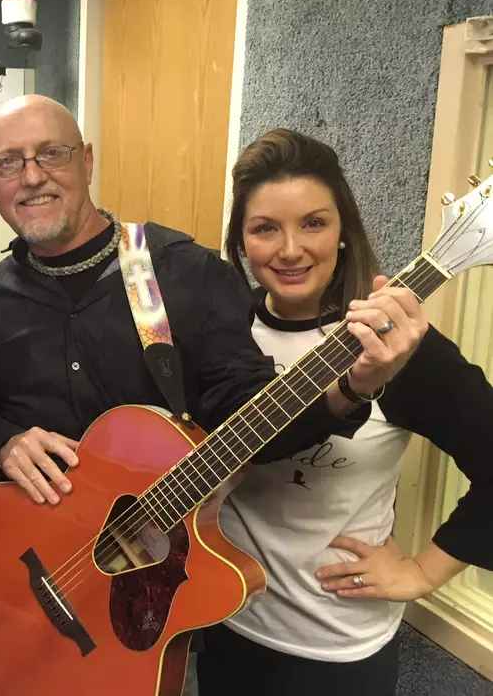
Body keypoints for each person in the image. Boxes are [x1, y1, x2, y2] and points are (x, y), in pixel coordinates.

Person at [0, 95, 426, 510]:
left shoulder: (188, 273)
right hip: (32, 566)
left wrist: (350, 387)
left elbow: (249, 425)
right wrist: (0, 440)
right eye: (8, 163)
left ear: (87, 162)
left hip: (158, 573)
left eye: (52, 153)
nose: (32, 176)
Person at [194, 128, 493, 695]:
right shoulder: (223, 331)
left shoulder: (397, 347)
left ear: (343, 234)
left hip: (335, 650)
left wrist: (422, 573)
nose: (289, 249)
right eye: (264, 228)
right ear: (240, 241)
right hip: (224, 617)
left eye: (313, 222)